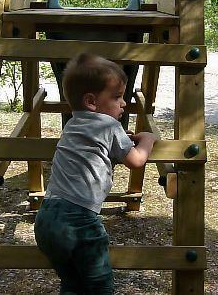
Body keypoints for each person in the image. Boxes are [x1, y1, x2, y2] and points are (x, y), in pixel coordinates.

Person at [34, 53, 158, 294]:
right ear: (91, 101)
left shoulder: (72, 125)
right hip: (79, 219)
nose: (123, 104)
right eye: (117, 97)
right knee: (100, 286)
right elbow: (136, 160)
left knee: (72, 283)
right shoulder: (110, 125)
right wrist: (148, 139)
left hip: (47, 218)